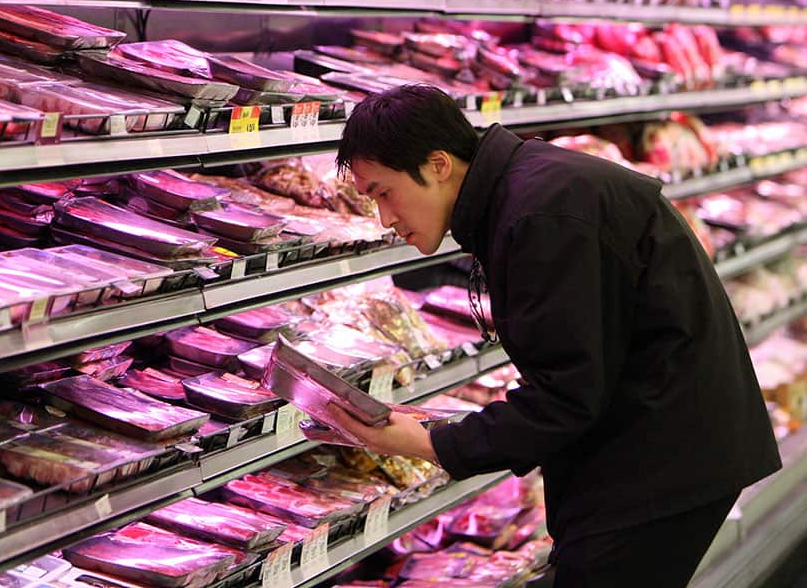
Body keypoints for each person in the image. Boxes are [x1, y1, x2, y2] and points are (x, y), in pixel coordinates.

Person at [329, 84, 781, 588]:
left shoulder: (542, 216)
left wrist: (432, 443)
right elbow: (574, 373)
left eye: (384, 193)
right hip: (653, 438)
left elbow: (566, 397)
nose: (385, 220)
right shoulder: (527, 191)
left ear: (438, 165)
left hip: (663, 458)